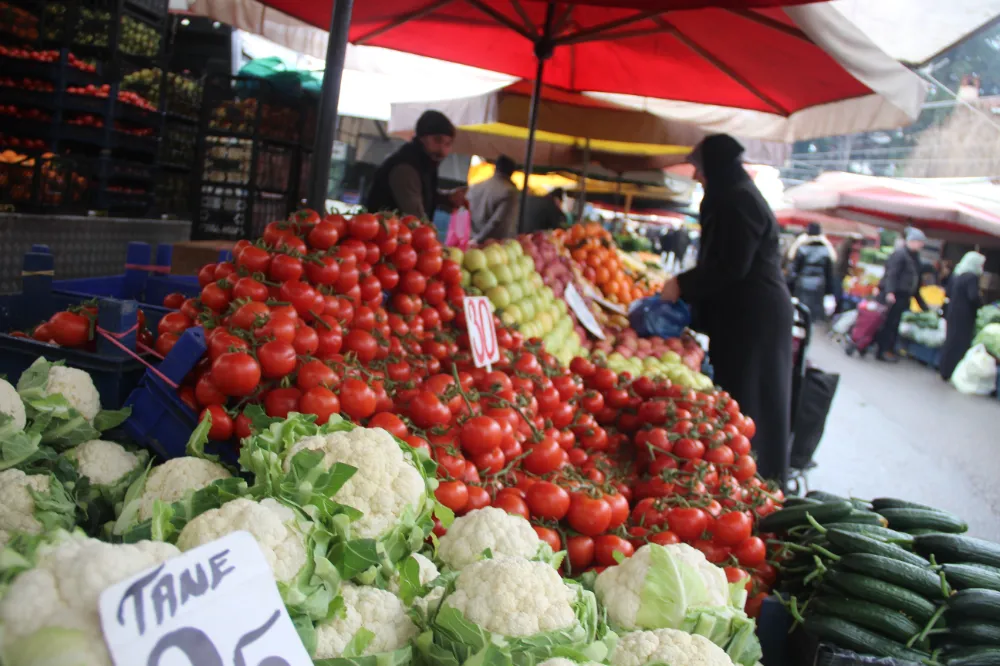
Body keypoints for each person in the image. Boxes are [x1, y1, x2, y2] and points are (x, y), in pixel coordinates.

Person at [659, 134, 793, 484]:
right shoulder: (735, 193)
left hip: (755, 316)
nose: (696, 177)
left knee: (751, 399)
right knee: (744, 394)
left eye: (700, 169)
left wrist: (682, 285)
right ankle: (745, 474)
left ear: (715, 167)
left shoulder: (737, 200)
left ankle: (755, 480)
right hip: (747, 312)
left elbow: (732, 265)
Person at [363, 110, 467, 218]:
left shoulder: (425, 163)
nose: (443, 150)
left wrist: (446, 198)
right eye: (437, 140)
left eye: (448, 144)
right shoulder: (405, 168)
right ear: (422, 137)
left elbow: (422, 193)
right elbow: (415, 218)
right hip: (388, 233)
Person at [874, 227, 928, 362]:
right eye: (919, 242)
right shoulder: (900, 255)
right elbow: (892, 274)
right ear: (912, 241)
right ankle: (883, 350)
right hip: (895, 296)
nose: (921, 245)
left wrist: (922, 305)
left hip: (904, 297)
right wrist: (890, 292)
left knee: (894, 324)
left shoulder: (915, 258)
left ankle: (889, 349)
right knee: (889, 324)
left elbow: (916, 281)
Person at [939, 251, 985, 381]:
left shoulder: (958, 274)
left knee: (950, 340)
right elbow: (973, 296)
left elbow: (948, 292)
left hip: (953, 312)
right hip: (964, 315)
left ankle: (944, 369)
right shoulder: (972, 277)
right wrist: (981, 303)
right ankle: (953, 370)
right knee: (960, 343)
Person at [786, 222, 837, 322]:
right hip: (819, 285)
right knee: (813, 313)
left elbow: (793, 271)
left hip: (802, 284)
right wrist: (829, 291)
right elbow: (829, 274)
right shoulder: (827, 250)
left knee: (800, 311)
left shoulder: (800, 248)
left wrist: (789, 287)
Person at [467, 155, 519, 243]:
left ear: (495, 168)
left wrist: (472, 239)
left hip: (469, 241)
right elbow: (499, 223)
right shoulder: (509, 192)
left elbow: (464, 213)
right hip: (491, 247)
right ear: (512, 173)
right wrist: (478, 240)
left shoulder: (476, 187)